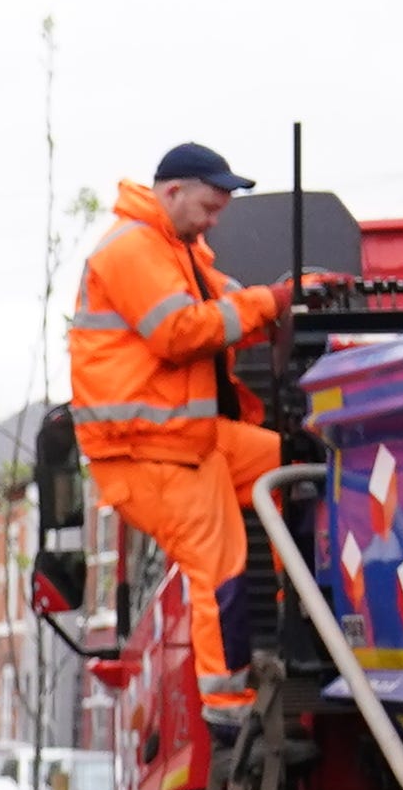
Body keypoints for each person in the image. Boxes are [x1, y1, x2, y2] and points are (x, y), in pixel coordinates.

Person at [67, 138, 292, 718]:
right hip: (150, 453)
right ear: (172, 192)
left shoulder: (174, 248)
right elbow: (181, 333)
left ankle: (301, 613)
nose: (215, 221)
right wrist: (271, 303)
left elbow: (229, 305)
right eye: (209, 208)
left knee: (294, 464)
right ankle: (229, 711)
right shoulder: (133, 250)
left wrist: (293, 300)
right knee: (219, 569)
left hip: (187, 442)